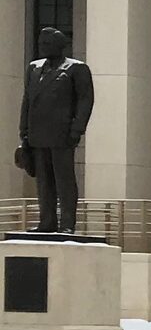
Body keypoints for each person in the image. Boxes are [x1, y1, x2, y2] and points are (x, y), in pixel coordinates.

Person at [16, 26, 94, 236]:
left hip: (62, 134)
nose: (43, 47)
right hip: (37, 134)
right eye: (41, 44)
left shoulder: (76, 68)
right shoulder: (33, 68)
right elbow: (28, 100)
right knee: (43, 181)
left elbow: (85, 100)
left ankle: (67, 223)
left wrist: (77, 129)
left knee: (64, 180)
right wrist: (24, 131)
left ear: (60, 46)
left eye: (47, 44)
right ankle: (47, 221)